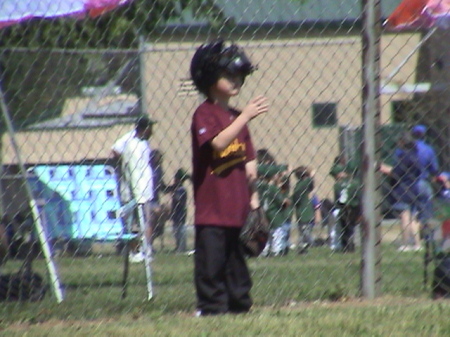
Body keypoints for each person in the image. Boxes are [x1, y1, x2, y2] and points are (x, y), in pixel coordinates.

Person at [190, 38, 269, 316]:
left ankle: (239, 307)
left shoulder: (238, 117)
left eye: (239, 75)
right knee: (211, 265)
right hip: (211, 212)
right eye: (228, 74)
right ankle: (212, 308)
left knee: (237, 265)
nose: (236, 80)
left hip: (238, 210)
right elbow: (218, 144)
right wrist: (245, 115)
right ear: (210, 78)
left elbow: (249, 159)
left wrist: (255, 200)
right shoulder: (205, 114)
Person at [119, 115, 156, 263]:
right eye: (150, 128)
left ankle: (145, 250)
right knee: (133, 224)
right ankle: (134, 252)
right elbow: (133, 172)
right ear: (143, 129)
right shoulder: (132, 146)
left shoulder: (143, 145)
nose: (152, 131)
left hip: (145, 192)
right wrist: (138, 196)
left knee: (146, 222)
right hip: (135, 193)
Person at [380, 132, 423, 252]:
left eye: (399, 142)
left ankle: (405, 244)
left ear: (403, 142)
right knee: (413, 217)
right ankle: (417, 244)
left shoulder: (404, 156)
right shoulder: (415, 155)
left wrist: (382, 168)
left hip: (403, 189)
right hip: (414, 188)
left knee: (404, 216)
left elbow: (395, 172)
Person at [329, 162, 361, 252]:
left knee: (344, 228)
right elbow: (359, 197)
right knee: (352, 227)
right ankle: (351, 244)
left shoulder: (337, 185)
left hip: (342, 208)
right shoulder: (356, 183)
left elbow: (336, 200)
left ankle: (345, 246)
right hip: (354, 207)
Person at [292, 166, 316, 254]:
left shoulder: (299, 184)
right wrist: (311, 174)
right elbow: (312, 177)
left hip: (302, 211)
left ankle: (303, 248)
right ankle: (303, 248)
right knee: (305, 232)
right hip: (304, 212)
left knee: (304, 231)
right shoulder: (303, 183)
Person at [169, 168, 190, 253]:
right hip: (175, 214)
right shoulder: (175, 189)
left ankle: (181, 247)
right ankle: (178, 246)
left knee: (180, 230)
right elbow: (166, 189)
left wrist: (175, 195)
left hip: (181, 214)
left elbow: (180, 200)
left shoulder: (182, 190)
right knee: (176, 231)